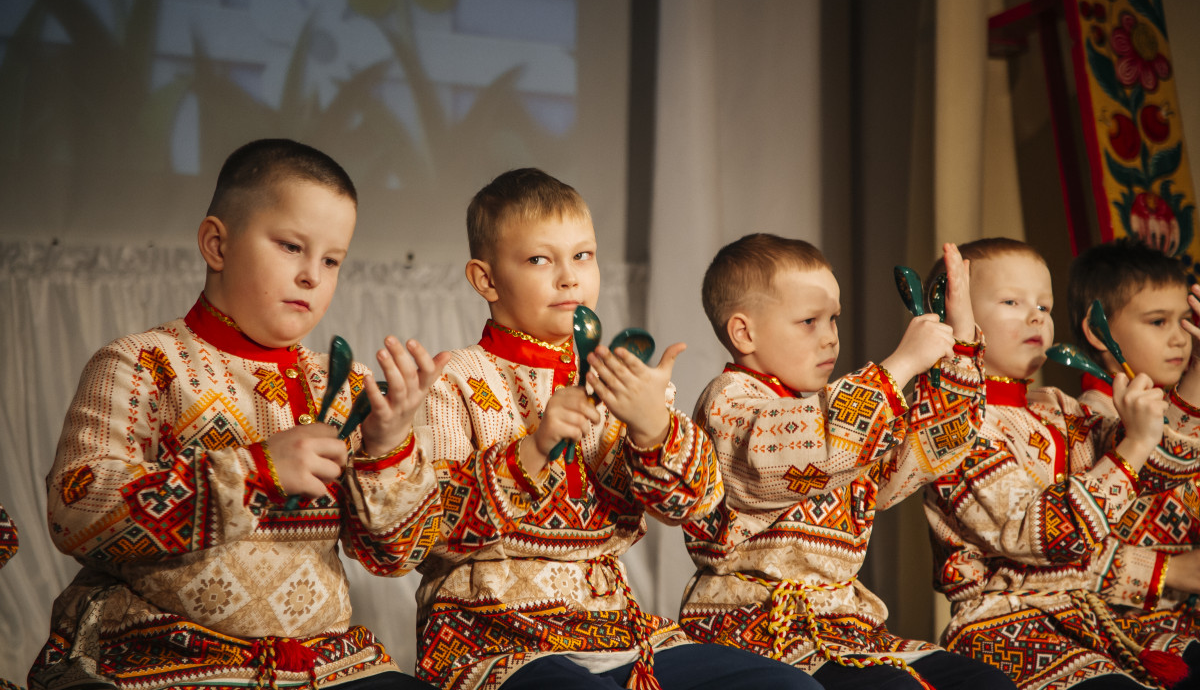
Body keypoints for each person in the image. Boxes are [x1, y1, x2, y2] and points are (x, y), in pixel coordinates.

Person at [29, 139, 447, 690]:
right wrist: (251, 471)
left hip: (327, 665)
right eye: (291, 247)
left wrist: (389, 445)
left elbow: (396, 556)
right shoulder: (143, 363)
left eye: (331, 260)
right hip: (165, 659)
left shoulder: (339, 384)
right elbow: (75, 507)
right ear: (216, 244)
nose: (312, 276)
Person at [413, 169, 817, 690]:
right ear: (485, 279)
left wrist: (653, 429)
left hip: (616, 630)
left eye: (583, 255)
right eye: (540, 259)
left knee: (790, 689)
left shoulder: (625, 380)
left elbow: (693, 509)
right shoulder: (455, 379)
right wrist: (532, 450)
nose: (569, 277)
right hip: (493, 633)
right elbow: (428, 535)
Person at [678, 233, 1012, 690]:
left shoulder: (836, 415)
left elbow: (924, 450)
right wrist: (900, 365)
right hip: (755, 626)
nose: (830, 337)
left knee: (982, 684)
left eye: (833, 319)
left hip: (843, 625)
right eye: (809, 321)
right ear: (744, 333)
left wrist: (961, 341)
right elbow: (806, 451)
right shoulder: (728, 403)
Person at [923, 237, 1200, 690]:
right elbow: (1044, 533)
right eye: (1012, 302)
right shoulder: (956, 425)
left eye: (1045, 306)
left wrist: (1188, 382)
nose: (1035, 316)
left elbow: (1155, 477)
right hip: (1007, 626)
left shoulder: (1059, 408)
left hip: (1086, 617)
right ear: (953, 317)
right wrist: (1133, 448)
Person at [1067, 238, 1200, 621]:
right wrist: (1170, 571)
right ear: (1097, 331)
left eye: (1184, 321)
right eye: (1158, 322)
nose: (1180, 338)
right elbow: (1067, 548)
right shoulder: (1086, 422)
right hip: (1125, 626)